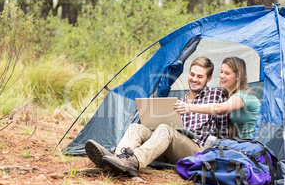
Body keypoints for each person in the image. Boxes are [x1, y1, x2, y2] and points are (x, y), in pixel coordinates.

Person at [84, 56, 229, 176]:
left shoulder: (215, 95)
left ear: (209, 78)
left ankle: (132, 162)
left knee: (165, 129)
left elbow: (223, 125)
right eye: (192, 74)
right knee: (137, 128)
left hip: (197, 152)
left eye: (200, 76)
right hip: (171, 147)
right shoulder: (181, 101)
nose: (194, 79)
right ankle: (117, 159)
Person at [174, 56, 260, 139]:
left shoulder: (242, 96)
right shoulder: (231, 97)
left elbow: (219, 108)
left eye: (227, 73)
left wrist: (188, 107)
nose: (221, 76)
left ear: (238, 76)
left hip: (255, 144)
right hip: (244, 145)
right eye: (221, 71)